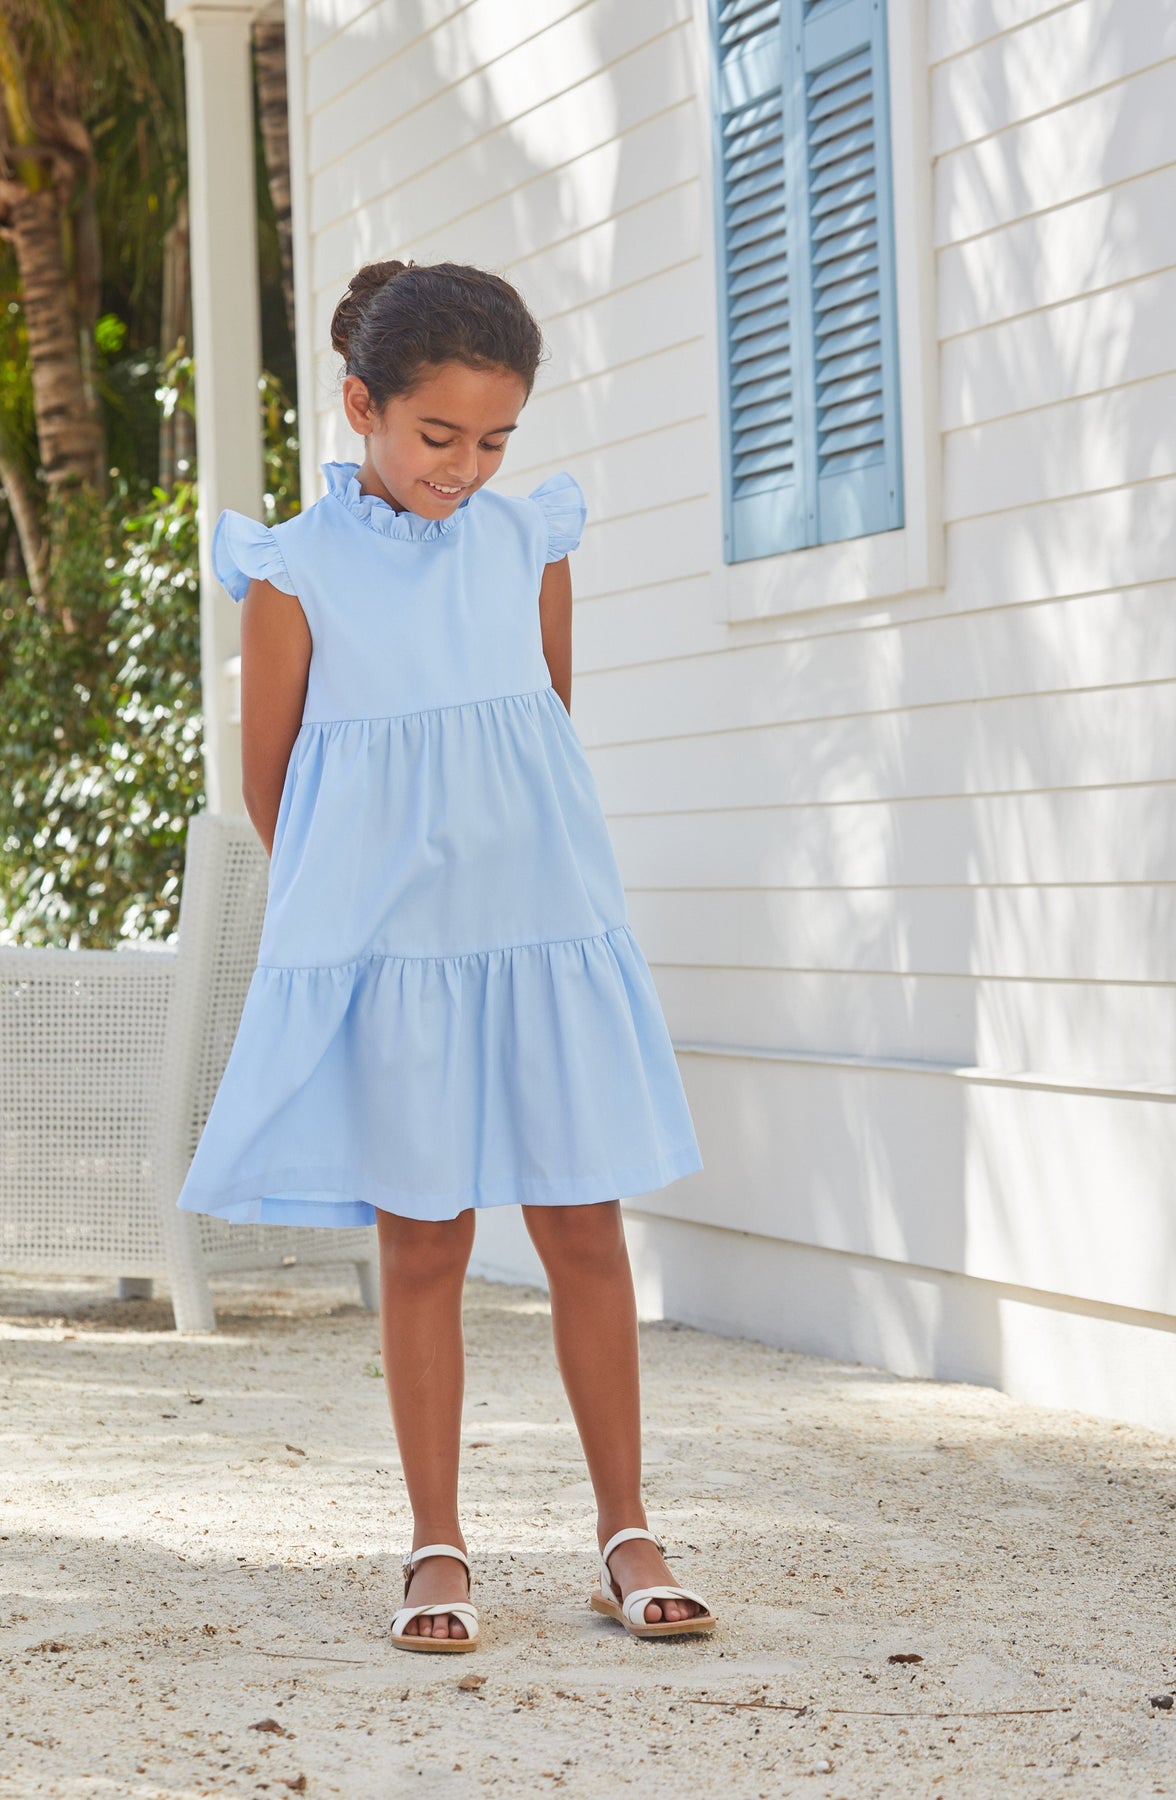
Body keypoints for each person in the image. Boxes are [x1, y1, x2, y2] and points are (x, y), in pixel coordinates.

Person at [176, 259, 715, 1652]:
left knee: (584, 1222)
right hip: (398, 949)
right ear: (362, 404)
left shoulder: (528, 538)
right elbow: (271, 783)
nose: (466, 468)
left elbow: (542, 723)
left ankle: (626, 1531)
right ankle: (435, 1546)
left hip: (539, 929)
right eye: (438, 437)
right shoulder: (292, 570)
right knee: (425, 1241)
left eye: (494, 440)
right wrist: (361, 926)